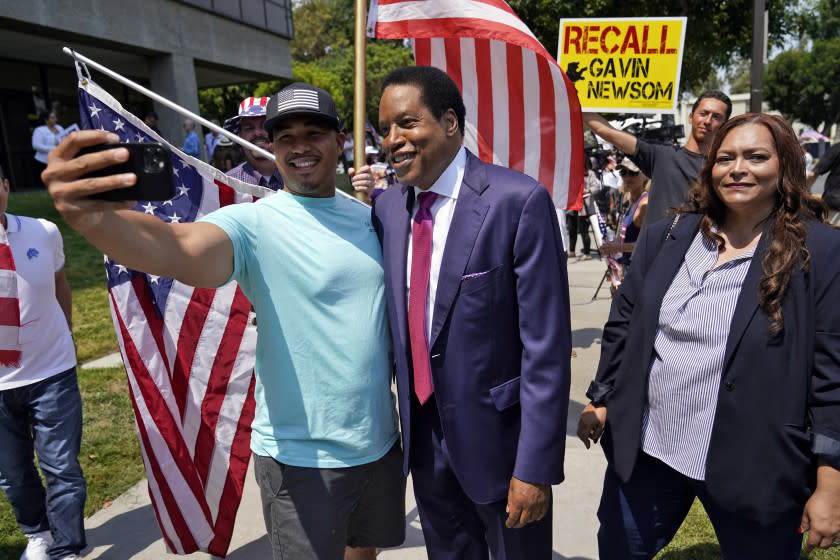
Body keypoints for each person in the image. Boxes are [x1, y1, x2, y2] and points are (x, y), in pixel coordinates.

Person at [42, 82, 404, 560]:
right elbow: (175, 248)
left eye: (314, 132)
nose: (299, 146)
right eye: (284, 136)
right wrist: (93, 220)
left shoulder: (372, 220)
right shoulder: (254, 223)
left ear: (340, 142)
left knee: (364, 553)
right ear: (270, 147)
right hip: (300, 458)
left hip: (378, 444)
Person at [577, 113, 840, 558]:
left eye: (756, 157)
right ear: (710, 168)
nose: (738, 168)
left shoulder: (820, 250)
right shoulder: (667, 236)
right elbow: (624, 325)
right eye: (726, 158)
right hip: (650, 451)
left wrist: (830, 482)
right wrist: (601, 397)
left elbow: (831, 371)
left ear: (785, 168)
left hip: (756, 462)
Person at [371, 65, 571, 559]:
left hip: (502, 448)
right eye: (385, 130)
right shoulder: (388, 210)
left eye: (407, 123)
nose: (393, 139)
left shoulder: (517, 201)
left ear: (451, 122)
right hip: (425, 443)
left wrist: (535, 466)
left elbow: (546, 349)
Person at [0, 165, 85, 560]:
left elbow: (60, 283)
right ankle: (39, 533)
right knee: (13, 475)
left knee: (61, 467)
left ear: (5, 186)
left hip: (52, 371)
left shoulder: (42, 230)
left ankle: (67, 547)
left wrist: (66, 333)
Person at [584, 91, 732, 228]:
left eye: (716, 117)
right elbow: (607, 132)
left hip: (695, 254)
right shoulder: (661, 155)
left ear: (724, 125)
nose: (707, 121)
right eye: (703, 113)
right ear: (691, 116)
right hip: (650, 254)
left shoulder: (723, 169)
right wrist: (572, 100)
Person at [223, 97, 283, 190]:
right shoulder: (227, 185)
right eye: (249, 128)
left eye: (264, 126)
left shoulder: (300, 176)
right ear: (240, 137)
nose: (257, 133)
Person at [598, 159, 648, 269]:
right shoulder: (629, 201)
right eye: (623, 173)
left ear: (645, 175)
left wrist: (618, 248)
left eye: (633, 173)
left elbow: (648, 245)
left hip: (640, 271)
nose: (627, 177)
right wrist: (611, 247)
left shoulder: (645, 204)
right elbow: (623, 237)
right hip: (626, 268)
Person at [806, 141, 840, 224]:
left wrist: (806, 191)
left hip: (834, 201)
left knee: (830, 234)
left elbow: (813, 174)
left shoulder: (837, 148)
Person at [31, 111, 65, 185]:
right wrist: (55, 148)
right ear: (46, 120)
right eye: (52, 118)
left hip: (58, 159)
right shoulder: (39, 130)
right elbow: (36, 145)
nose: (56, 119)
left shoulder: (59, 128)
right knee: (47, 183)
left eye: (55, 117)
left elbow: (65, 139)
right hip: (43, 161)